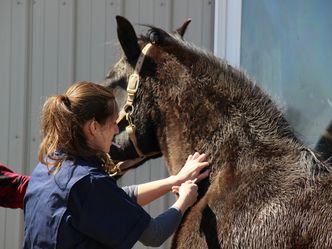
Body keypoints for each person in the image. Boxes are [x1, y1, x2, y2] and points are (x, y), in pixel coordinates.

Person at [23, 81, 209, 249]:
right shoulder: (88, 182)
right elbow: (154, 235)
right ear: (93, 127)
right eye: (113, 123)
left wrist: (174, 180)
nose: (117, 129)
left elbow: (115, 199)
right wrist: (184, 199)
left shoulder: (49, 166)